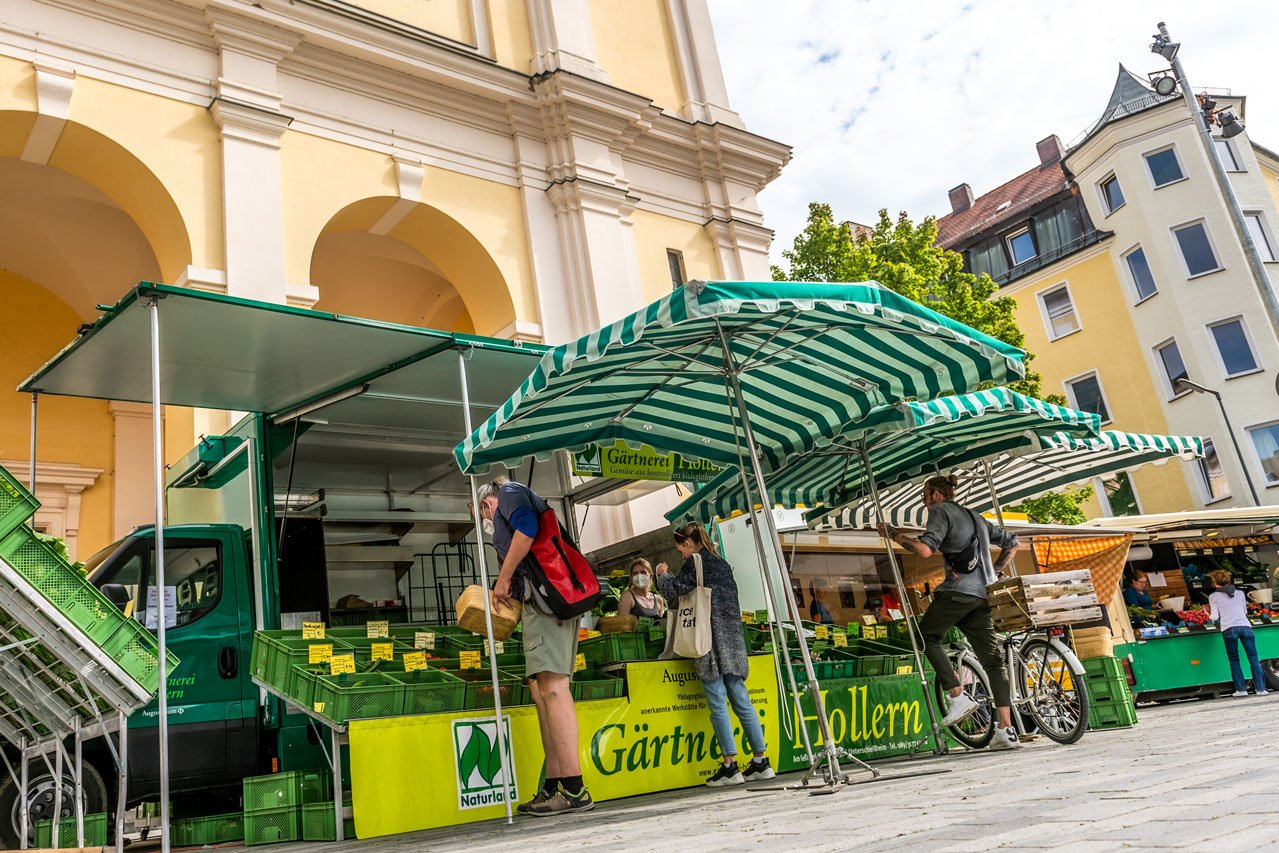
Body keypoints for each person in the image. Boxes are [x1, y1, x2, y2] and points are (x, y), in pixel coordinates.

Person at [474, 477, 593, 816]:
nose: (486, 519)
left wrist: (502, 578)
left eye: (482, 511)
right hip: (540, 604)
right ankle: (553, 783)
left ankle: (575, 788)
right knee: (541, 692)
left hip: (546, 603)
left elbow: (526, 531)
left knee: (554, 689)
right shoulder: (513, 500)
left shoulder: (510, 494)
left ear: (486, 502)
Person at [879, 474, 1023, 751]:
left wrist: (892, 534)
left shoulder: (939, 511)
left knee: (926, 637)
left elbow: (923, 550)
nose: (923, 498)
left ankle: (958, 696)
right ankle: (1006, 729)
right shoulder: (974, 516)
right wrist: (997, 570)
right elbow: (1012, 543)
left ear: (935, 494)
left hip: (958, 592)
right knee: (994, 663)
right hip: (984, 595)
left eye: (925, 493)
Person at [656, 523, 775, 786]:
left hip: (707, 640)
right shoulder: (722, 563)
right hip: (732, 641)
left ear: (688, 543)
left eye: (680, 549)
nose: (681, 554)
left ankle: (730, 766)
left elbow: (672, 591)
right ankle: (760, 761)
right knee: (742, 700)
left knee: (718, 703)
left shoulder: (696, 562)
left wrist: (662, 573)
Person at [1208, 570, 1269, 698]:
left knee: (1234, 659)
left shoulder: (1213, 596)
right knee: (1253, 658)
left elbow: (1214, 617)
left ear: (1215, 582)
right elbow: (1244, 611)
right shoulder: (1240, 593)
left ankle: (1241, 690)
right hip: (1246, 627)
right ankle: (1261, 689)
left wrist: (1206, 613)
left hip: (1229, 629)